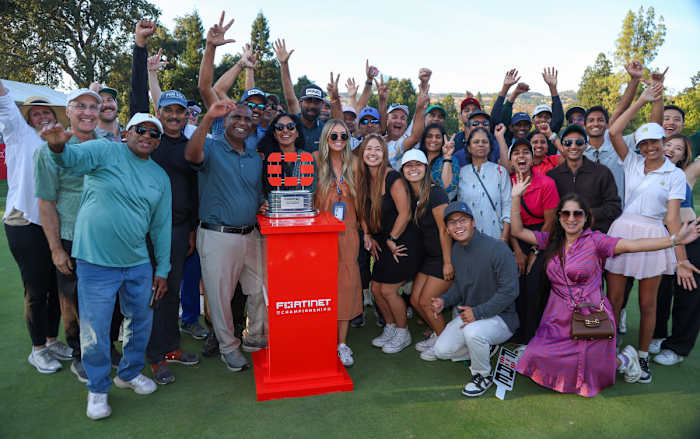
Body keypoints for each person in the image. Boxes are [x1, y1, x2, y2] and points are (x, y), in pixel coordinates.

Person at [40, 112, 172, 420]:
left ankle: (127, 373)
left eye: (155, 134)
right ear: (127, 132)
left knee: (141, 323)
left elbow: (161, 226)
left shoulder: (160, 177)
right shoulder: (105, 149)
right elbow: (69, 159)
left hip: (138, 262)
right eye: (142, 130)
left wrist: (162, 269)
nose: (147, 137)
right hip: (96, 262)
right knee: (95, 330)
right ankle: (98, 389)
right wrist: (58, 147)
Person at [511, 187, 700, 397]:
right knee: (536, 357)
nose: (571, 218)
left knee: (588, 369)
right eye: (566, 213)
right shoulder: (551, 241)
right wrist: (515, 197)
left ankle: (625, 359)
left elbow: (632, 245)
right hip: (557, 316)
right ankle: (607, 358)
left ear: (585, 218)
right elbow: (518, 231)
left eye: (577, 213)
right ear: (559, 217)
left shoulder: (596, 241)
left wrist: (674, 240)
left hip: (591, 314)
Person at [605, 84, 697, 384]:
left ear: (662, 140)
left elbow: (672, 218)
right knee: (614, 301)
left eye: (654, 142)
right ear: (640, 145)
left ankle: (642, 358)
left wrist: (680, 258)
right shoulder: (631, 161)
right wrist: (642, 99)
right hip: (623, 232)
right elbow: (615, 131)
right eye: (643, 143)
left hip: (655, 237)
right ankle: (608, 351)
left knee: (648, 304)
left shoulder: (674, 175)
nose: (649, 148)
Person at [130, 19, 201, 385]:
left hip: (177, 231)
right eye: (167, 112)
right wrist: (140, 48)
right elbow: (138, 99)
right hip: (146, 231)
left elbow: (192, 192)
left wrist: (189, 232)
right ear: (159, 113)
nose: (173, 117)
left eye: (180, 112)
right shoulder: (149, 140)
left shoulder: (189, 146)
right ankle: (153, 356)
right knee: (153, 292)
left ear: (187, 115)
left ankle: (170, 346)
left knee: (170, 289)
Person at [185, 100, 268, 372]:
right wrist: (208, 117)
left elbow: (255, 195)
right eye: (236, 118)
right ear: (225, 120)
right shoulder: (211, 147)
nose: (243, 122)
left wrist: (262, 204)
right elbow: (191, 155)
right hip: (217, 235)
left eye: (247, 118)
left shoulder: (255, 157)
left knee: (260, 290)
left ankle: (255, 337)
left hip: (251, 235)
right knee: (220, 298)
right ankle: (229, 349)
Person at [34, 88, 106, 382]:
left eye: (93, 107)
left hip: (105, 239)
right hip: (71, 238)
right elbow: (46, 202)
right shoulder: (47, 150)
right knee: (74, 302)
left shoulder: (107, 144)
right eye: (81, 106)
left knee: (104, 300)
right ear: (68, 111)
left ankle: (104, 349)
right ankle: (80, 355)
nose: (88, 112)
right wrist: (55, 249)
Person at [0, 81, 67, 375]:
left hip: (52, 222)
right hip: (23, 221)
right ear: (27, 119)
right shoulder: (18, 132)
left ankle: (52, 340)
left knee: (56, 285)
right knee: (36, 288)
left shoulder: (58, 143)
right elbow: (4, 101)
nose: (42, 117)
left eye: (47, 113)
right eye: (36, 114)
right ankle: (37, 349)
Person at [431, 201, 519, 397]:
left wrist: (478, 313)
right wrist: (444, 301)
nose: (458, 226)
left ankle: (482, 376)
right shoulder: (456, 250)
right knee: (441, 351)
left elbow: (510, 291)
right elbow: (460, 286)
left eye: (462, 220)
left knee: (473, 332)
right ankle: (485, 348)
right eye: (452, 223)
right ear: (447, 229)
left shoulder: (497, 248)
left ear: (473, 222)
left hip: (502, 319)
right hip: (473, 316)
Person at [356, 134, 421, 354]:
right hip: (384, 241)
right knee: (376, 289)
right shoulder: (363, 179)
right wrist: (366, 234)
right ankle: (391, 327)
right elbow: (362, 212)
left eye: (377, 149)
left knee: (390, 290)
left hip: (403, 240)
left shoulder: (393, 178)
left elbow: (405, 214)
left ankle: (403, 332)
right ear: (362, 152)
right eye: (368, 149)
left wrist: (392, 239)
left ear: (384, 154)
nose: (372, 153)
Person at [313, 119, 362, 366]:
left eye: (343, 135)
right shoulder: (314, 161)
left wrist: (369, 234)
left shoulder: (355, 164)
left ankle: (342, 343)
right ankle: (320, 339)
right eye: (333, 136)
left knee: (345, 286)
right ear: (325, 139)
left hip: (348, 235)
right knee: (320, 286)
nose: (339, 140)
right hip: (319, 236)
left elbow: (364, 204)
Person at [399, 149, 453, 361]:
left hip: (443, 256)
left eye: (418, 165)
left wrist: (448, 262)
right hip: (429, 257)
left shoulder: (436, 193)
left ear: (426, 168)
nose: (413, 169)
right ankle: (438, 335)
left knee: (428, 303)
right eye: (408, 166)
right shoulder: (409, 195)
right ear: (403, 170)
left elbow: (444, 230)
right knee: (415, 299)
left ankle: (446, 342)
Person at [651, 134, 700, 366]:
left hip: (689, 239)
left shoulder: (679, 177)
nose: (671, 149)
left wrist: (681, 257)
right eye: (668, 144)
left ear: (683, 157)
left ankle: (678, 347)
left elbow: (677, 220)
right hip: (665, 238)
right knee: (660, 289)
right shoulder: (650, 172)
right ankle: (657, 334)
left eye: (678, 148)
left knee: (687, 291)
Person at [507, 138, 560, 345]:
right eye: (517, 153)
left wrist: (534, 253)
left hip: (541, 237)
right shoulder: (508, 182)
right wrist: (517, 251)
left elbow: (549, 224)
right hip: (516, 234)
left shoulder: (546, 183)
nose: (522, 156)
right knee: (515, 279)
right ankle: (516, 329)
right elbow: (509, 219)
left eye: (526, 152)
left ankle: (532, 333)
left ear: (532, 157)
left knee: (534, 281)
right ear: (511, 159)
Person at [582, 61, 648, 204]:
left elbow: (621, 110)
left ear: (606, 124)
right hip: (587, 215)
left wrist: (634, 80)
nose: (595, 124)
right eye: (591, 120)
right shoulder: (578, 147)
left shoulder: (619, 142)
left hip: (617, 214)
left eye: (600, 120)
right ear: (585, 126)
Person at [546, 124, 621, 233]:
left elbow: (615, 207)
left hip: (595, 236)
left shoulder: (602, 172)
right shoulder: (552, 176)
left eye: (579, 142)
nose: (573, 146)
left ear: (586, 146)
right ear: (562, 146)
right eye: (568, 143)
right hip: (563, 238)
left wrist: (587, 214)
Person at [456, 126, 512, 240]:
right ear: (469, 147)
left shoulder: (500, 171)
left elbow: (508, 206)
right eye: (476, 142)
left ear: (490, 146)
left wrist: (504, 238)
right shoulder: (461, 173)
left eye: (485, 142)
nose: (481, 144)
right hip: (467, 239)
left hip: (496, 237)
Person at [273, 39, 326, 152]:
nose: (312, 105)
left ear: (322, 105)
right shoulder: (290, 124)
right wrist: (283, 64)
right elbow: (290, 98)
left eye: (316, 102)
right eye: (308, 101)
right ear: (300, 102)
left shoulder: (325, 129)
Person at [257, 112, 314, 194]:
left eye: (290, 127)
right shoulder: (265, 158)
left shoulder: (307, 158)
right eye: (279, 127)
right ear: (275, 134)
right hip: (274, 205)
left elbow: (312, 190)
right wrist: (263, 204)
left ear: (297, 133)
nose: (285, 130)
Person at [418, 123, 460, 200]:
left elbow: (446, 186)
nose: (433, 140)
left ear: (443, 140)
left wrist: (447, 157)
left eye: (438, 137)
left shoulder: (452, 160)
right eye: (429, 136)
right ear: (424, 139)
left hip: (440, 206)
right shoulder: (416, 157)